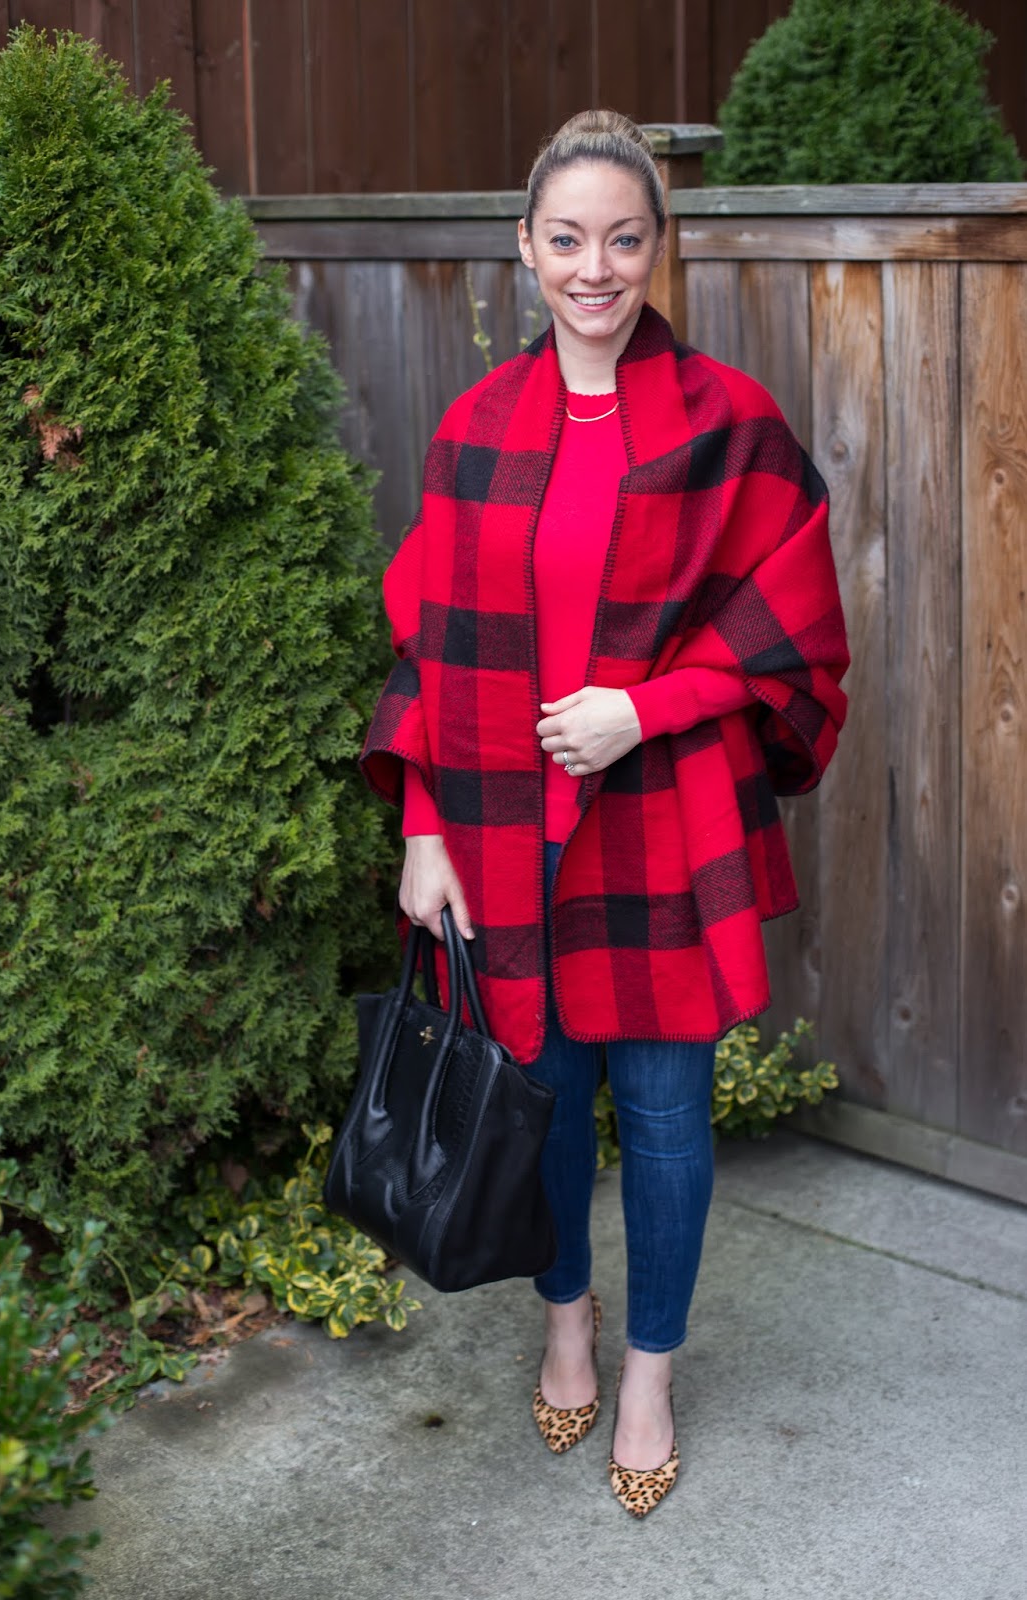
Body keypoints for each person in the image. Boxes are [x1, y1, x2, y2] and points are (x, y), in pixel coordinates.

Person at [361, 109, 848, 1518]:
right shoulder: (477, 428)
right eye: (565, 239)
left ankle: (646, 1366)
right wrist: (426, 829)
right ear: (525, 250)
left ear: (656, 246)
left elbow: (789, 630)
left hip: (663, 818)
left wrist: (649, 707)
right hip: (508, 827)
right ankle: (564, 1321)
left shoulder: (728, 422)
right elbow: (427, 643)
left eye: (622, 238)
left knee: (665, 1111)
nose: (595, 267)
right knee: (550, 1103)